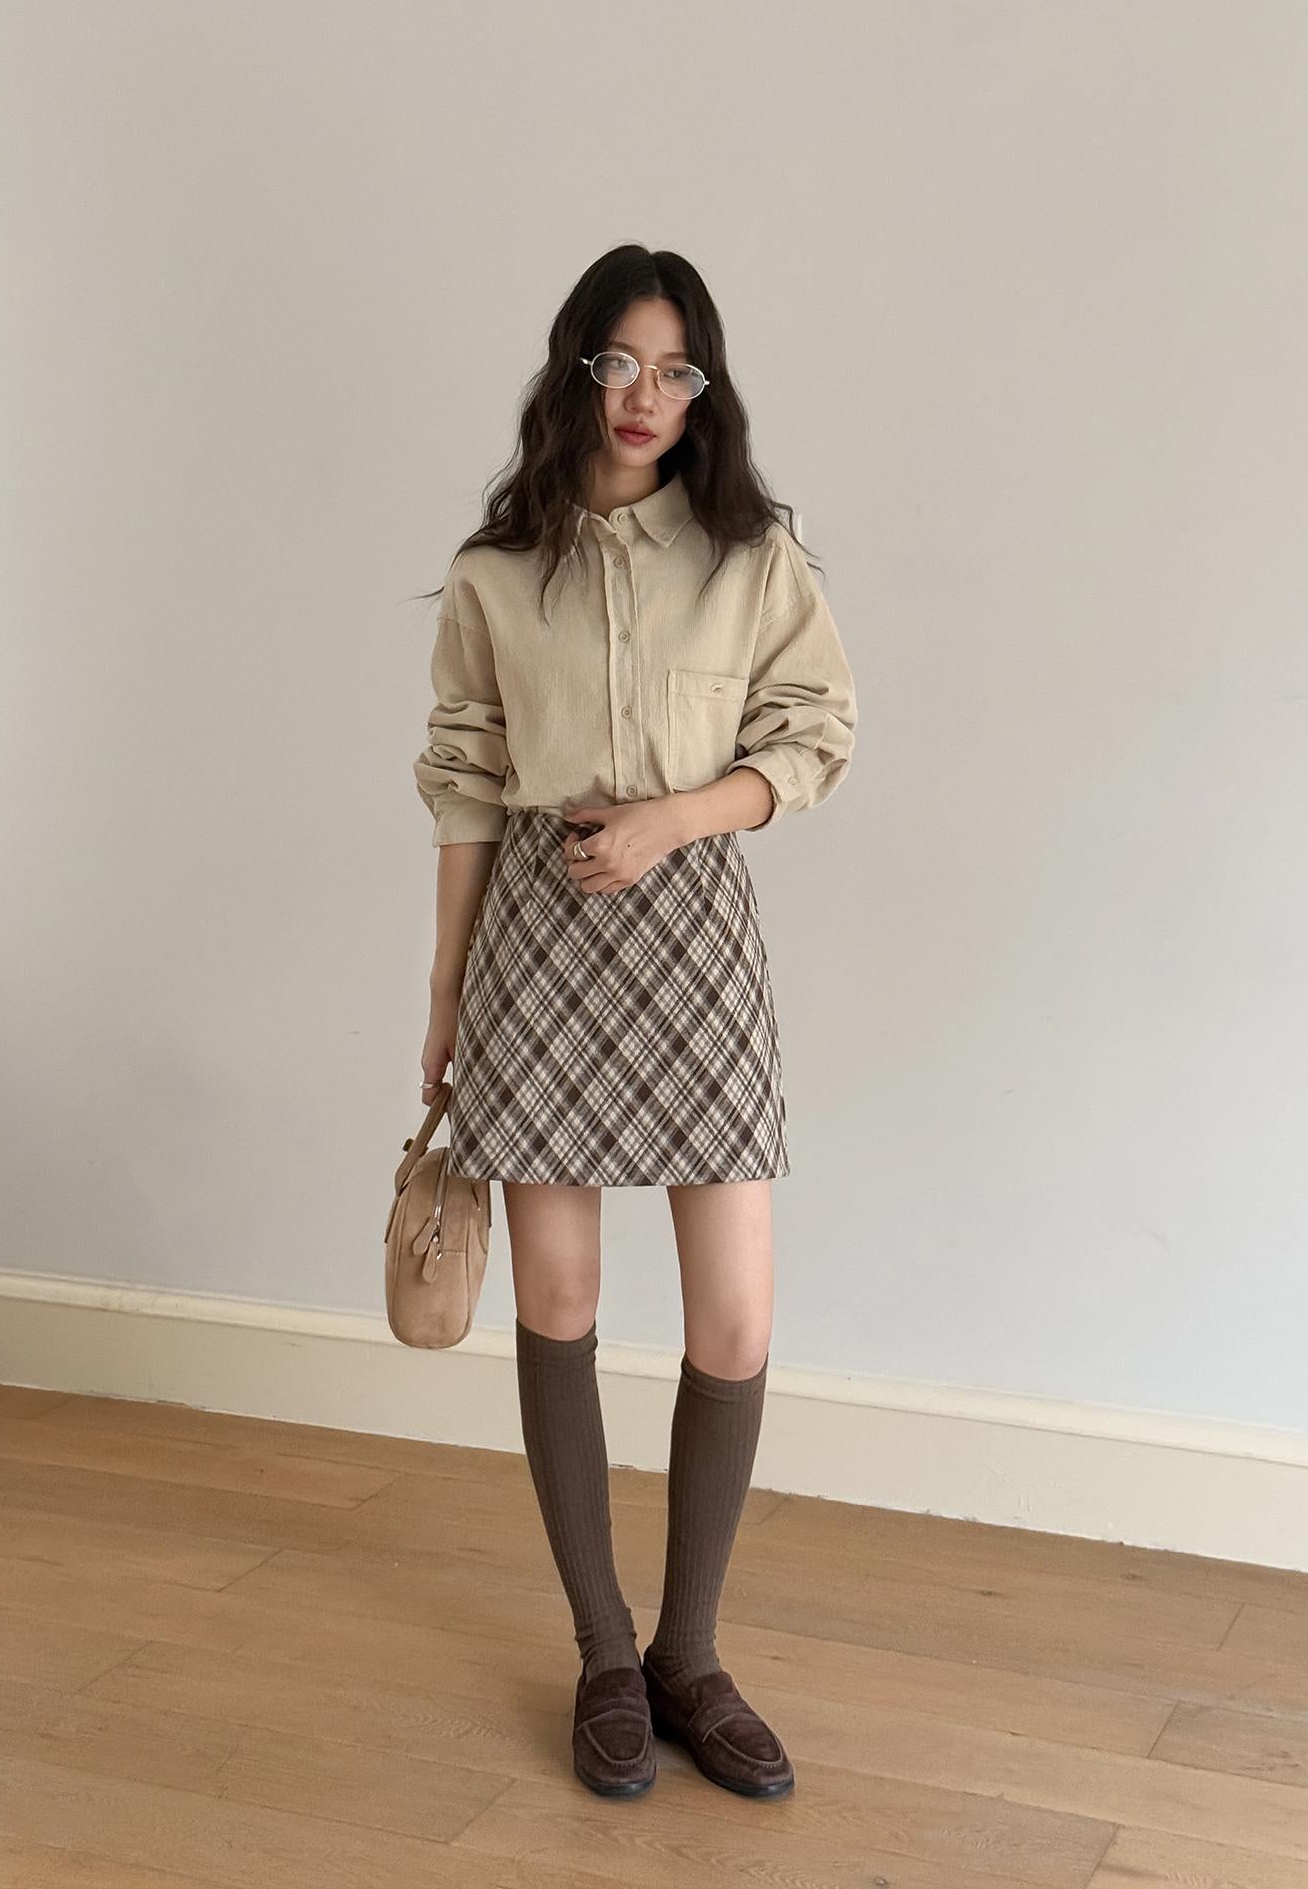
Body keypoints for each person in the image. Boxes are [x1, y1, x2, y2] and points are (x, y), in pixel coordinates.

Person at [412, 243, 857, 1801]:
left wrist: (675, 817)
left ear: (703, 388)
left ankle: (693, 1654)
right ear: (577, 369)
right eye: (620, 362)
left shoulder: (750, 555)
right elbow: (468, 783)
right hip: (535, 942)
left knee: (734, 1316)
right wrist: (444, 995)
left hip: (696, 932)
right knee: (559, 1298)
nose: (646, 395)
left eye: (676, 369)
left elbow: (814, 736)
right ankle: (605, 1650)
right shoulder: (497, 570)